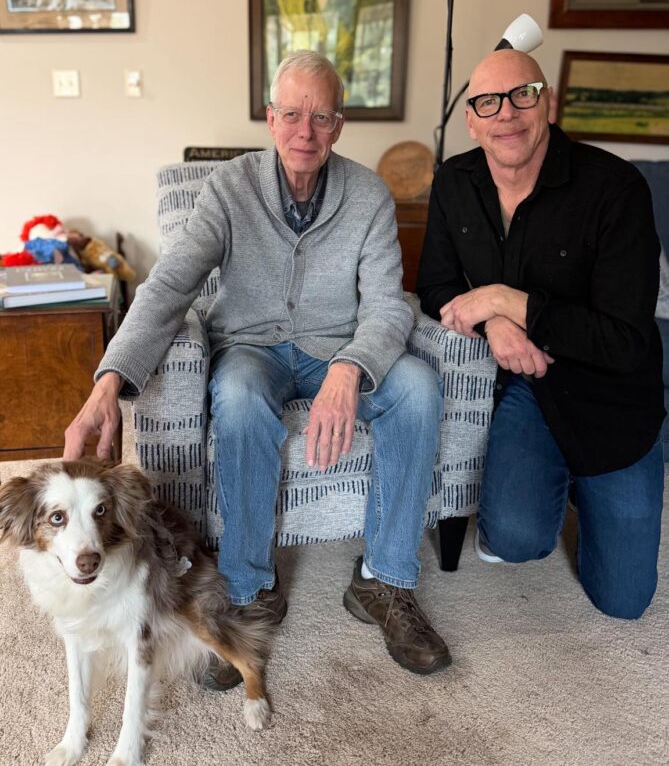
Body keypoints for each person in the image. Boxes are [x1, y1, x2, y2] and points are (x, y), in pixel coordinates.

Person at [64, 50, 451, 680]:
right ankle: (248, 587)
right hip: (253, 348)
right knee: (239, 394)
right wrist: (107, 382)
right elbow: (168, 288)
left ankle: (385, 581)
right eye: (292, 114)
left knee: (419, 387)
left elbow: (388, 306)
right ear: (270, 120)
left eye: (321, 117)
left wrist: (349, 370)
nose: (305, 131)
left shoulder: (370, 195)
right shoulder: (228, 188)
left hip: (341, 348)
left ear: (339, 125)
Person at [417, 49, 665, 620]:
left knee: (624, 602)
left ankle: (593, 486)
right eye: (488, 102)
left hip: (613, 396)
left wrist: (507, 300)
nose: (507, 113)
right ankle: (545, 486)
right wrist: (494, 321)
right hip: (529, 386)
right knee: (515, 538)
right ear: (472, 121)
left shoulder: (615, 188)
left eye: (523, 94)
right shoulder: (455, 182)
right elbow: (435, 285)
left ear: (547, 102)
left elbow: (624, 339)